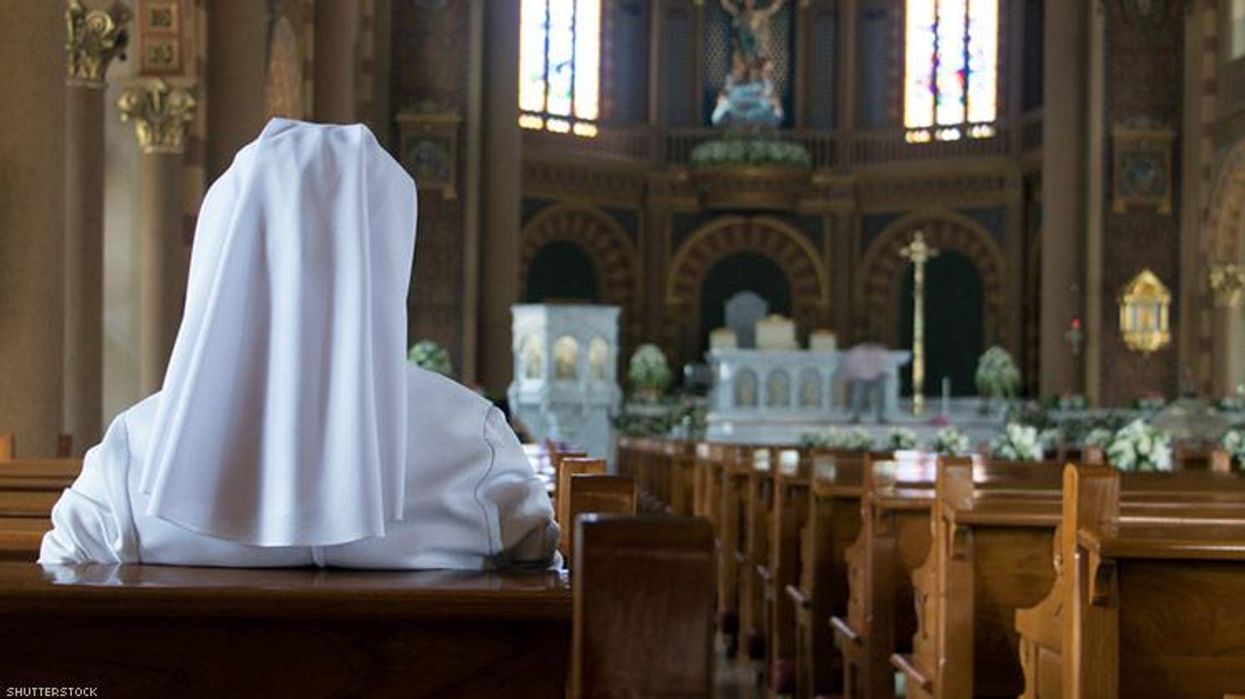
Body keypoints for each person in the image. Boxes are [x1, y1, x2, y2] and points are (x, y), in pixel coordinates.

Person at [40, 119, 558, 570]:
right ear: (387, 255)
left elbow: (56, 584)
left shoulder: (135, 454)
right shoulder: (474, 443)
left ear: (226, 249)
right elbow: (541, 575)